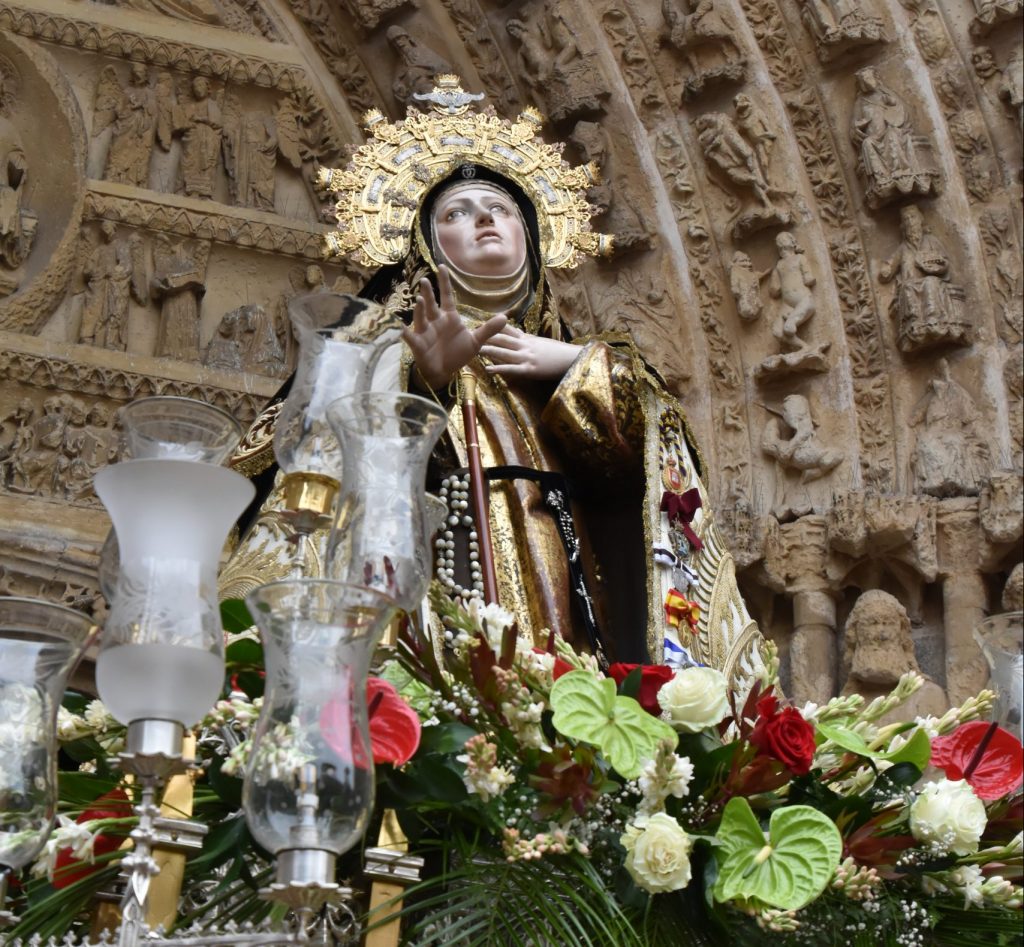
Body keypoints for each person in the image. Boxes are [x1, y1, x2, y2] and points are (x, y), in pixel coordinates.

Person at [226, 80, 764, 687]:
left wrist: (571, 365)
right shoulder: (377, 340)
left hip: (567, 577)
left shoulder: (583, 355)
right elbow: (327, 462)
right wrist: (422, 379)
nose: (483, 219)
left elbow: (633, 483)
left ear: (532, 238)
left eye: (501, 209)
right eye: (456, 213)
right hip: (439, 574)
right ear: (427, 247)